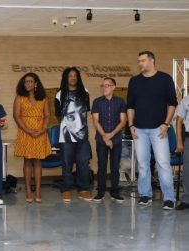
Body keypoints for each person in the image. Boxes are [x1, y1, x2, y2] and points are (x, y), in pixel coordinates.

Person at [127, 51, 177, 210]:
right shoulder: (134, 81)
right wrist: (130, 125)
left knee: (163, 163)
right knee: (143, 164)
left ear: (152, 61)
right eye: (138, 61)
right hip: (139, 130)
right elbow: (130, 106)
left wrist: (166, 124)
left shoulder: (165, 79)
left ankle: (169, 198)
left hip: (159, 129)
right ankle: (145, 195)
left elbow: (172, 104)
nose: (140, 63)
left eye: (142, 60)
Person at [55, 67, 92, 203]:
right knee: (67, 163)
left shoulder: (85, 92)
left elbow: (85, 112)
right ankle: (66, 189)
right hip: (66, 136)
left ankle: (83, 189)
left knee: (83, 163)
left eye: (75, 75)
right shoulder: (59, 94)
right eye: (70, 76)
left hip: (83, 135)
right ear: (65, 78)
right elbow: (58, 115)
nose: (73, 78)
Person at [13, 72, 51, 203]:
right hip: (25, 132)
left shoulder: (43, 98)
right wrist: (28, 130)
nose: (27, 84)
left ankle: (38, 190)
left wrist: (43, 128)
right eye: (25, 82)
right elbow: (16, 116)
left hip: (40, 132)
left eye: (30, 81)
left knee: (38, 162)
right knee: (27, 161)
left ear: (36, 84)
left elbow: (47, 115)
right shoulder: (19, 98)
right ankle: (29, 190)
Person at [91, 77, 127, 202]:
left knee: (115, 166)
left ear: (113, 87)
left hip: (116, 139)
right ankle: (100, 192)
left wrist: (111, 135)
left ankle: (115, 192)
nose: (104, 88)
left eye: (107, 85)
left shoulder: (121, 102)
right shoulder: (97, 102)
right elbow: (95, 121)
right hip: (101, 139)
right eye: (103, 85)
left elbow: (123, 121)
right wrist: (105, 137)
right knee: (101, 166)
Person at [175, 95, 189, 210]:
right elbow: (179, 121)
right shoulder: (186, 99)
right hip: (188, 138)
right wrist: (179, 142)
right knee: (187, 171)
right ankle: (186, 200)